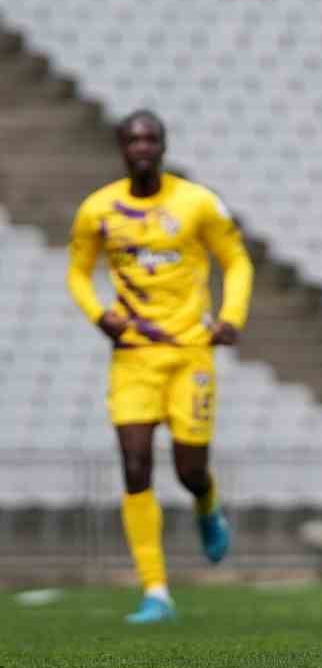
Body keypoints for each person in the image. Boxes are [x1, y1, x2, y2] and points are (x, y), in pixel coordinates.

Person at [66, 110, 254, 623]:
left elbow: (237, 260)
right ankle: (155, 590)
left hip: (190, 354)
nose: (142, 147)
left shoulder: (196, 203)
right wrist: (99, 314)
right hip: (133, 356)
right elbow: (78, 273)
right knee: (134, 467)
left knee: (189, 470)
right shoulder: (98, 210)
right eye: (133, 140)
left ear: (164, 146)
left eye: (150, 139)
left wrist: (232, 316)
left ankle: (206, 502)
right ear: (122, 148)